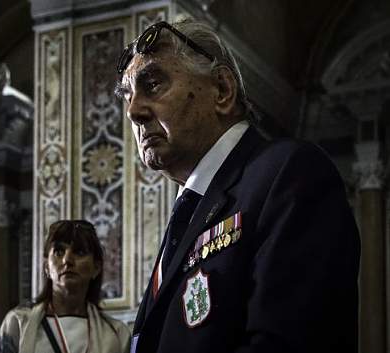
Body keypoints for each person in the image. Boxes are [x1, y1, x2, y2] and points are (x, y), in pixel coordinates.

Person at [115, 19, 360, 353]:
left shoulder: (288, 175)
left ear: (221, 90)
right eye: (127, 96)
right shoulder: (189, 212)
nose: (133, 111)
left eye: (154, 84)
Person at [0, 220, 130, 353]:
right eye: (59, 252)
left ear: (96, 267)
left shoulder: (117, 334)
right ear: (46, 266)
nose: (67, 260)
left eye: (79, 252)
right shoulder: (19, 322)